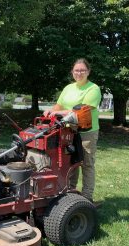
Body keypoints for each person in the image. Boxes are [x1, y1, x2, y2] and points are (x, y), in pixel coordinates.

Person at [44, 58, 101, 202]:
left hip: (87, 132)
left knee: (86, 163)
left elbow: (83, 110)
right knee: (70, 162)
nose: (79, 73)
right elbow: (59, 105)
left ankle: (87, 197)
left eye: (82, 70)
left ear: (88, 71)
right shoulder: (68, 88)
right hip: (68, 132)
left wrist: (63, 113)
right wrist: (50, 111)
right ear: (72, 72)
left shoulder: (93, 88)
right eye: (76, 70)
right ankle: (70, 193)